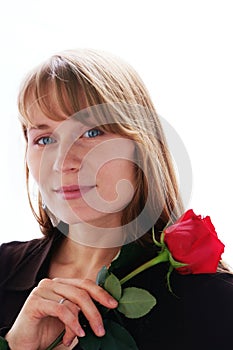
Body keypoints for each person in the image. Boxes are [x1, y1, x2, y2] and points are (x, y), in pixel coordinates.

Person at [0, 49, 233, 350]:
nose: (62, 162)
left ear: (141, 145)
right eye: (44, 139)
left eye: (92, 132)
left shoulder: (213, 303)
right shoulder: (3, 269)